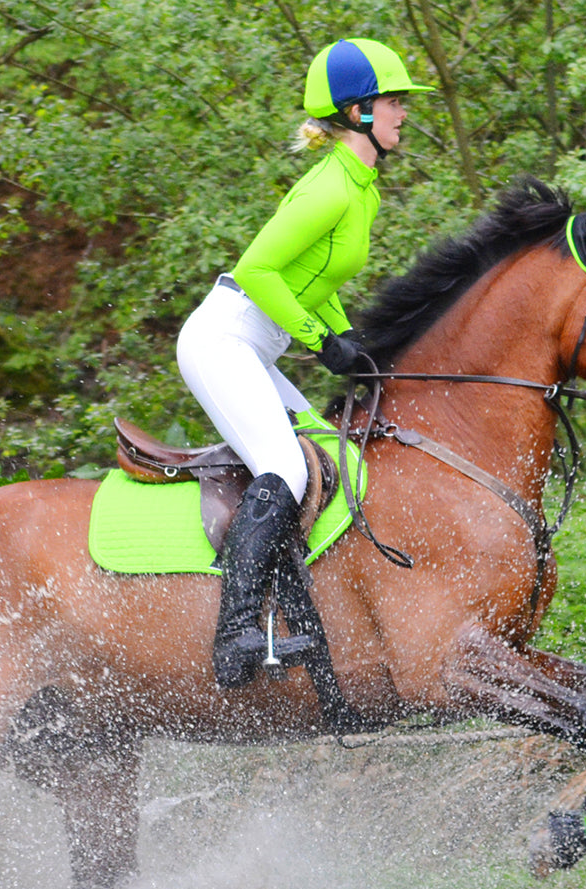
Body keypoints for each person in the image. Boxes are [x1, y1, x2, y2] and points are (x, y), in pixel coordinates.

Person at [176, 38, 433, 688]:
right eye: (394, 101)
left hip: (256, 343)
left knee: (325, 452)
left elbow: (316, 276)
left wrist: (353, 342)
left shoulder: (360, 185)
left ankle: (298, 619)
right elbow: (259, 270)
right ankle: (234, 633)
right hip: (224, 337)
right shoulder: (331, 187)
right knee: (286, 468)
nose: (404, 112)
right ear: (357, 111)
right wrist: (322, 341)